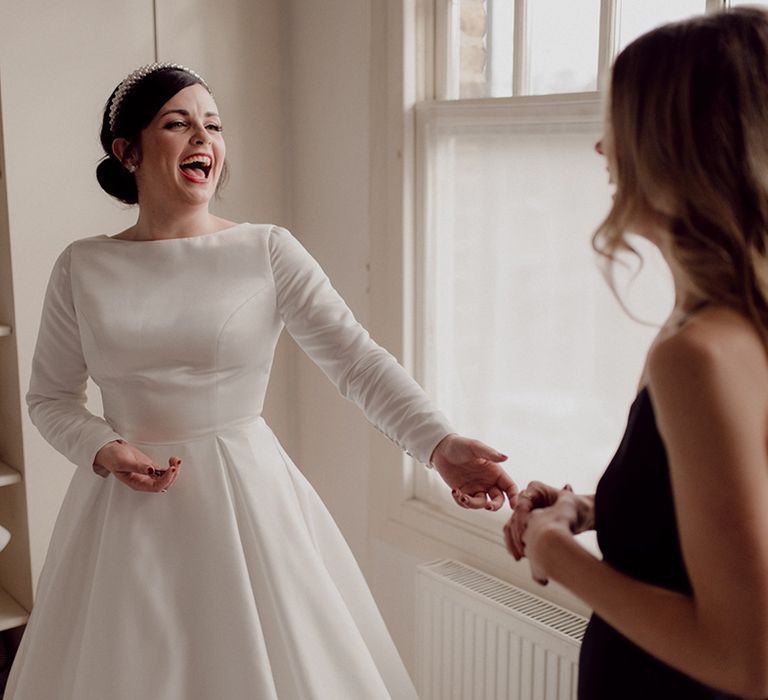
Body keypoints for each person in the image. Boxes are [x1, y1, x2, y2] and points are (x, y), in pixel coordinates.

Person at [5, 62, 518, 700]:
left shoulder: (266, 251)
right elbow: (51, 399)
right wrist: (103, 449)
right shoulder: (82, 266)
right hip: (123, 514)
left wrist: (439, 445)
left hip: (246, 502)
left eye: (213, 126)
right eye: (178, 123)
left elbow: (357, 361)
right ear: (127, 151)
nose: (204, 139)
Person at [504, 7, 768, 700]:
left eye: (618, 126)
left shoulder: (699, 354)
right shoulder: (734, 324)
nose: (601, 151)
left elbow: (746, 657)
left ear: (675, 146)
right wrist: (592, 510)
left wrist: (556, 551)